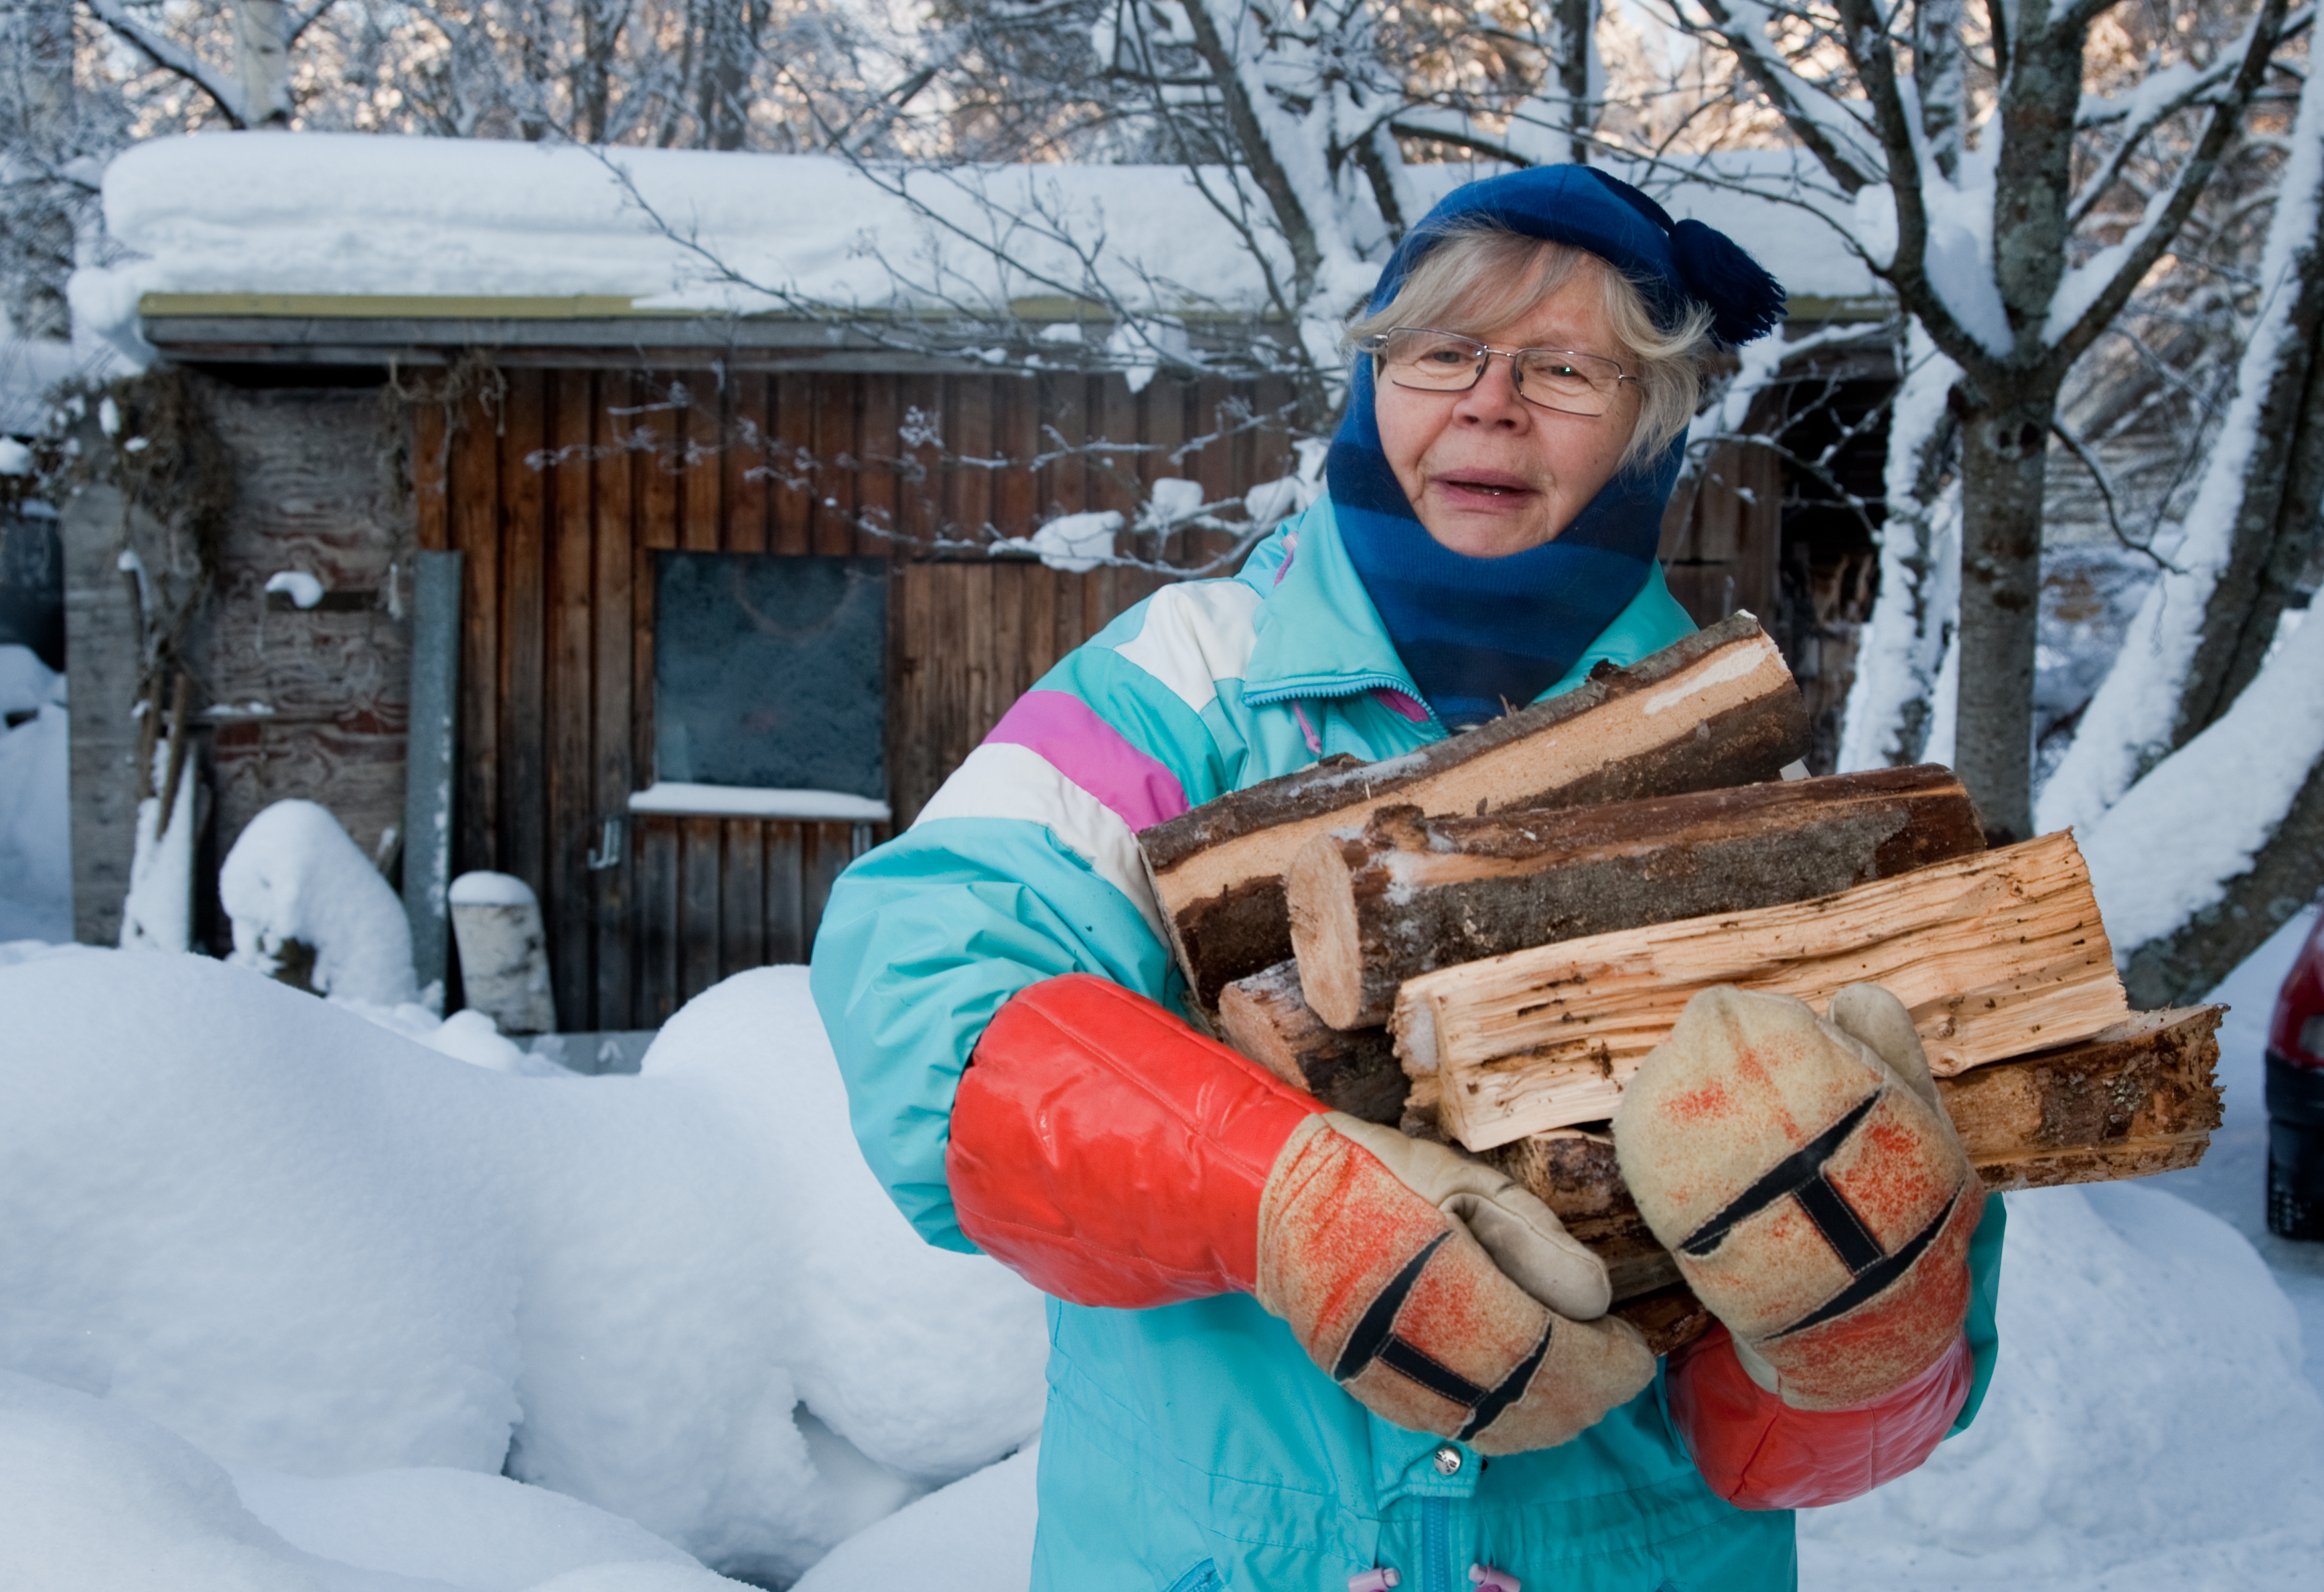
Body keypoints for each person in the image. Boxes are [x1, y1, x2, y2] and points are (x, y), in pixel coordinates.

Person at [810, 165, 2005, 1591]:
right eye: (1443, 351)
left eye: (1565, 367)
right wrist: (1274, 1198)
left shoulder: (1744, 779)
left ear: (1654, 421)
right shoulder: (1185, 686)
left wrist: (1867, 1319)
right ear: (1375, 380)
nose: (1489, 402)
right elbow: (928, 1013)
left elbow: (1804, 1446)